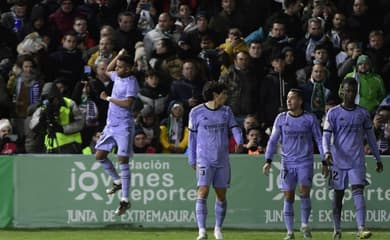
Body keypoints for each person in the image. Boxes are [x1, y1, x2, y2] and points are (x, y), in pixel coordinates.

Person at [323, 77, 384, 240]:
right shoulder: (333, 113)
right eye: (348, 91)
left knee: (358, 191)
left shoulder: (362, 113)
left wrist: (378, 158)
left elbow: (371, 137)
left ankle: (361, 228)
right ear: (342, 91)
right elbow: (326, 136)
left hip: (356, 160)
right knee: (338, 197)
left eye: (353, 91)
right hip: (337, 161)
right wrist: (327, 153)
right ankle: (337, 229)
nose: (350, 94)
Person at [262, 88, 325, 240]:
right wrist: (268, 160)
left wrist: (324, 160)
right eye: (288, 98)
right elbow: (272, 141)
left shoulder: (310, 119)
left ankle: (304, 224)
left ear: (301, 101)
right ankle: (290, 232)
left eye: (293, 98)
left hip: (305, 161)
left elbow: (319, 139)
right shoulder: (281, 118)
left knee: (304, 191)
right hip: (287, 163)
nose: (289, 101)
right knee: (288, 196)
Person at [188, 81, 243, 240]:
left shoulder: (226, 111)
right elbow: (192, 137)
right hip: (204, 158)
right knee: (203, 191)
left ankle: (218, 228)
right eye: (224, 94)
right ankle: (202, 231)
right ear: (215, 95)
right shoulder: (196, 112)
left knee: (221, 195)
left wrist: (239, 140)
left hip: (222, 160)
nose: (226, 97)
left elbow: (234, 128)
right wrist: (192, 158)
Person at [94, 49, 139, 216]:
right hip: (111, 125)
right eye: (118, 66)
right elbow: (107, 71)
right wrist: (118, 56)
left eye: (120, 66)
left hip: (124, 126)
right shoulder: (118, 76)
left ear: (128, 69)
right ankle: (117, 181)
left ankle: (125, 200)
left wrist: (108, 98)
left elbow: (128, 103)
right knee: (99, 156)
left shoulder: (131, 83)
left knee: (122, 160)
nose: (117, 69)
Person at [29, 82, 84, 154]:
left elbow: (80, 123)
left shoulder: (69, 104)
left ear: (57, 96)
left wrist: (62, 128)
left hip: (71, 146)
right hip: (50, 146)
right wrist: (41, 119)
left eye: (52, 99)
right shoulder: (43, 107)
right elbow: (32, 125)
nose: (52, 102)